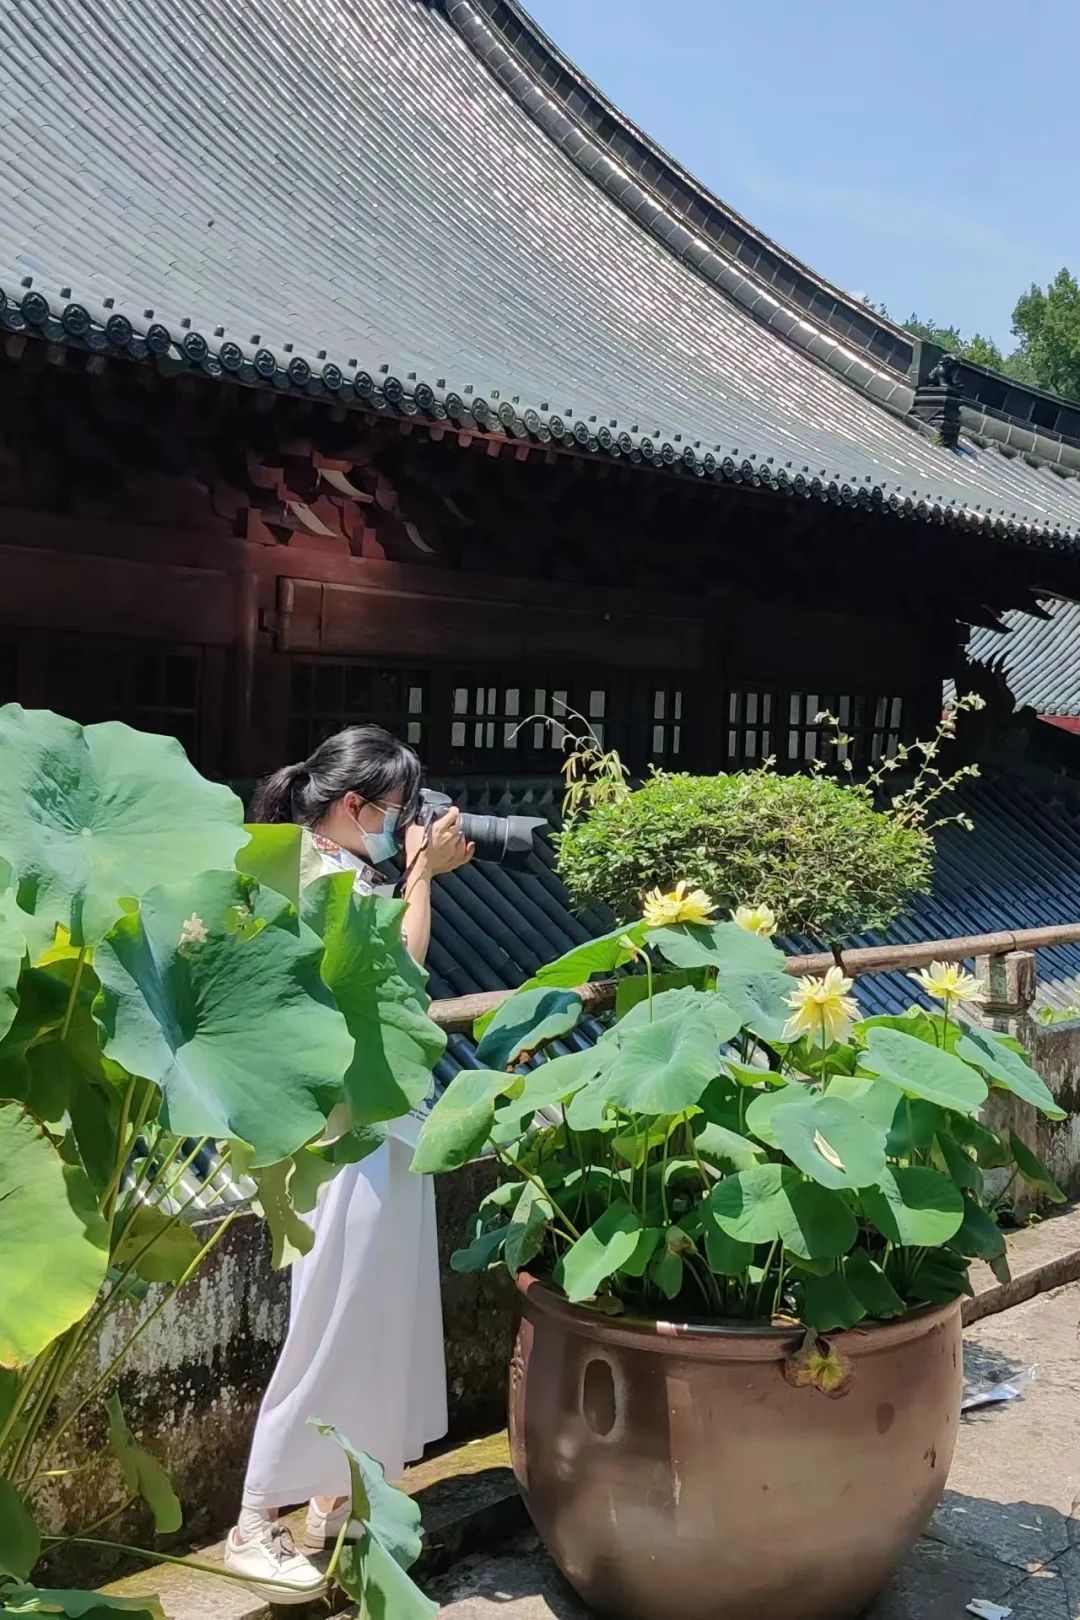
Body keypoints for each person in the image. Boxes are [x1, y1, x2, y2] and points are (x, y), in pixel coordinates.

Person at [224, 725, 473, 1602]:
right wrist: (419, 876)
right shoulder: (301, 873)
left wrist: (409, 874)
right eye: (400, 809)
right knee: (333, 1312)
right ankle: (254, 1518)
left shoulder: (346, 873)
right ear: (355, 805)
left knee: (380, 1312)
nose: (410, 823)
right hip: (336, 1131)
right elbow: (402, 972)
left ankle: (337, 1496)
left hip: (382, 1121)